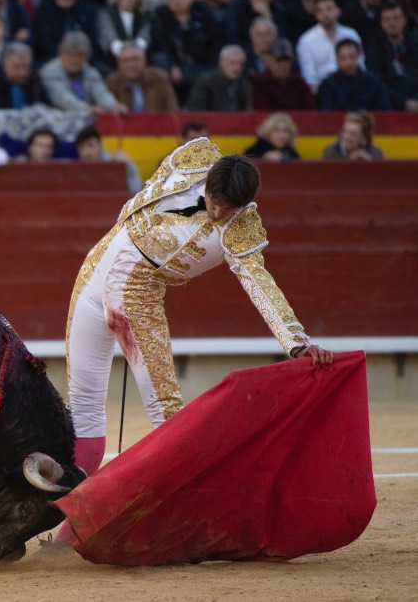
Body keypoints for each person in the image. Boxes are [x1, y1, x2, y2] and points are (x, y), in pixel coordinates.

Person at [60, 139, 333, 539]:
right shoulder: (193, 156)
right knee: (82, 408)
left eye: (229, 208)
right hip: (93, 275)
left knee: (166, 416)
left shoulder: (241, 227)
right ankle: (68, 529)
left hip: (139, 298)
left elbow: (258, 281)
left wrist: (296, 341)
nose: (219, 212)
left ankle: (176, 523)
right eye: (216, 201)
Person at [148, 0, 223, 105]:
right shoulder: (161, 16)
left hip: (202, 63)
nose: (177, 1)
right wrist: (172, 64)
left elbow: (216, 42)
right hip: (176, 65)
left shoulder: (203, 13)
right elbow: (160, 45)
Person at [39, 31, 128, 114]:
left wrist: (113, 106)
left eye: (80, 55)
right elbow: (61, 98)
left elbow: (102, 94)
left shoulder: (91, 71)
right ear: (60, 54)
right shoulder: (50, 71)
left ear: (87, 56)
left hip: (86, 119)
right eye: (70, 54)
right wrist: (87, 109)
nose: (75, 60)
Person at [295, 0, 362, 91]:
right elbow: (309, 79)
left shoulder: (351, 34)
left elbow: (361, 66)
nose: (325, 14)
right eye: (320, 11)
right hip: (324, 91)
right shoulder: (306, 41)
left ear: (338, 11)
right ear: (315, 15)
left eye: (329, 8)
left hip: (354, 87)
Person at [366, 0, 418, 111]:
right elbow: (376, 80)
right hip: (387, 104)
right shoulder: (375, 46)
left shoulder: (415, 43)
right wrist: (404, 103)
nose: (392, 23)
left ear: (404, 19)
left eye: (396, 18)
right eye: (387, 19)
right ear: (381, 23)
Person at [316, 38, 390, 110]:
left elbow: (383, 113)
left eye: (351, 57)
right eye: (343, 58)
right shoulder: (328, 86)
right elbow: (327, 116)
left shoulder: (374, 83)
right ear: (337, 60)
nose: (348, 63)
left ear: (358, 57)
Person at [104, 43, 179, 113]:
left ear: (144, 60)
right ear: (118, 64)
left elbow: (172, 110)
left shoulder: (160, 78)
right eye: (124, 61)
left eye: (135, 59)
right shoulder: (112, 81)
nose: (131, 65)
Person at [32, 0, 104, 68]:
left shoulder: (87, 9)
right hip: (52, 59)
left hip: (84, 60)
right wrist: (67, 58)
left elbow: (93, 41)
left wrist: (84, 58)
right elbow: (45, 43)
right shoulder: (44, 10)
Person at [74, 124, 143, 193]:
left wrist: (129, 165)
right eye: (81, 147)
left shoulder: (116, 163)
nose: (87, 152)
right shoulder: (75, 172)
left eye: (90, 145)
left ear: (99, 145)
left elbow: (136, 191)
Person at [252, 37, 315, 110]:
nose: (283, 65)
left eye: (286, 60)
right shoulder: (260, 83)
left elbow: (310, 111)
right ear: (269, 60)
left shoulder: (300, 84)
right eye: (279, 60)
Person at [186, 44, 252, 111]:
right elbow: (196, 112)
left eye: (241, 64)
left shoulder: (245, 85)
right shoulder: (206, 82)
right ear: (221, 62)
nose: (237, 68)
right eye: (232, 63)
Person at [0, 41, 47, 108]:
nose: (22, 72)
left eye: (26, 67)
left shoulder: (34, 79)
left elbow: (43, 106)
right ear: (5, 64)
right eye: (17, 67)